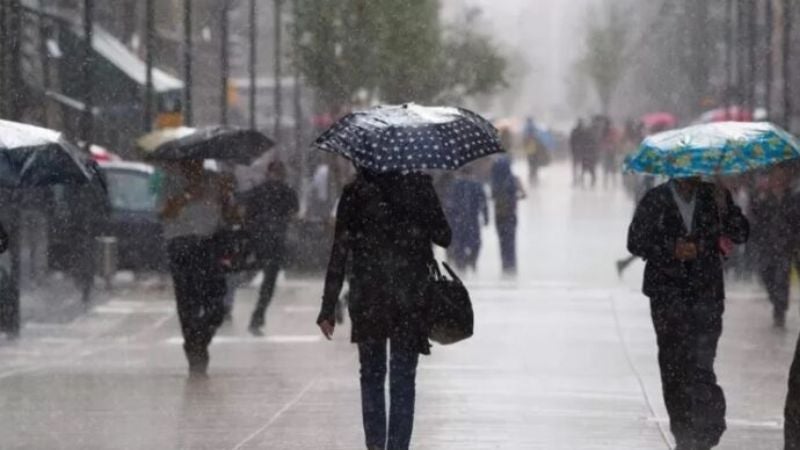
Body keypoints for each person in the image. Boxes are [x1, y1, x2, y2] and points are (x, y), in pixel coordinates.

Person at [317, 169, 451, 450]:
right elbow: (444, 236)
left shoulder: (355, 193)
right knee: (403, 377)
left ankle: (376, 446)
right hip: (410, 297)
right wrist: (421, 214)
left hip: (369, 296)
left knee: (372, 375)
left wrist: (328, 306)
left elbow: (340, 251)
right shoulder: (419, 186)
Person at [627, 176, 749, 450]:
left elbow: (741, 233)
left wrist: (726, 210)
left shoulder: (714, 197)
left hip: (706, 294)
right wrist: (672, 249)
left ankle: (707, 428)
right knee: (673, 366)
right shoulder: (655, 199)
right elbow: (635, 241)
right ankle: (683, 433)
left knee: (701, 364)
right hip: (667, 296)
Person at [160, 160, 236, 377]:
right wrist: (188, 195)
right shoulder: (171, 181)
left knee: (217, 304)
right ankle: (194, 352)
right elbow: (164, 213)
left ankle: (199, 340)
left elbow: (232, 217)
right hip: (180, 245)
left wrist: (226, 196)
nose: (196, 165)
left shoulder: (215, 180)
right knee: (187, 304)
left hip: (209, 245)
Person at [242, 161, 299, 336]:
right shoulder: (287, 191)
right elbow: (294, 213)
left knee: (252, 273)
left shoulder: (258, 190)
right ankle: (257, 316)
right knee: (269, 281)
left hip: (257, 239)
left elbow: (247, 214)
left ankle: (253, 315)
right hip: (275, 241)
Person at [749, 168, 798, 327]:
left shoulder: (793, 198)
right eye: (775, 177)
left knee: (781, 278)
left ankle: (780, 310)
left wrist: (793, 239)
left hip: (785, 246)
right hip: (767, 245)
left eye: (781, 177)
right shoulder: (764, 198)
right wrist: (757, 198)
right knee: (766, 274)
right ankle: (775, 300)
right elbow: (755, 218)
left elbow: (796, 221)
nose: (778, 180)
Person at [446, 169, 488, 271]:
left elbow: (450, 204)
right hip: (472, 219)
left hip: (458, 219)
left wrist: (449, 218)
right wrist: (486, 217)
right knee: (475, 242)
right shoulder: (477, 185)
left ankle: (461, 264)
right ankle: (471, 260)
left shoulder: (455, 185)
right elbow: (483, 202)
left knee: (459, 242)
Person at [490, 156, 526, 275]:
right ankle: (511, 265)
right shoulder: (515, 179)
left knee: (502, 241)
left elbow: (492, 196)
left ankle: (504, 265)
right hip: (511, 214)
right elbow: (524, 195)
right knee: (511, 240)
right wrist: (514, 197)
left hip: (499, 214)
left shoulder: (495, 181)